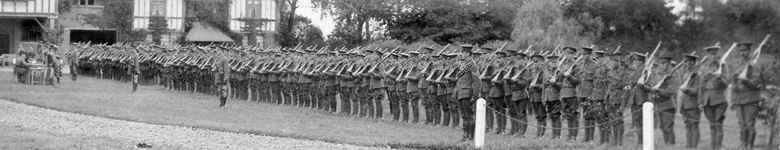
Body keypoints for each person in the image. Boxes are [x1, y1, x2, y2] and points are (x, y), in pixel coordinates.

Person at [731, 42, 764, 148]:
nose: (742, 53)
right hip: (740, 100)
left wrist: (746, 81)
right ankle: (743, 145)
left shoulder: (754, 65)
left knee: (749, 124)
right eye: (741, 51)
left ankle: (749, 146)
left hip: (750, 99)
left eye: (745, 51)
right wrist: (733, 101)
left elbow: (756, 82)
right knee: (742, 125)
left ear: (749, 51)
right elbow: (733, 85)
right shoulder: (737, 65)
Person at [698, 44, 728, 149]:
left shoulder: (722, 66)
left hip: (719, 100)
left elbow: (726, 83)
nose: (713, 56)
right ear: (707, 55)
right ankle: (713, 146)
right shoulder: (704, 68)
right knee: (712, 124)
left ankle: (718, 147)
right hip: (707, 100)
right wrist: (700, 102)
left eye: (715, 54)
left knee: (718, 124)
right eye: (711, 54)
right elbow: (701, 86)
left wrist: (719, 77)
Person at [454, 45, 481, 142]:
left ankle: (470, 137)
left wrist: (475, 95)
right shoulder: (463, 64)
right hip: (460, 92)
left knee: (469, 116)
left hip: (467, 93)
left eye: (463, 52)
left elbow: (477, 82)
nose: (461, 54)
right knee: (464, 115)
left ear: (468, 53)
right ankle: (465, 136)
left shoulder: (473, 65)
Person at [679, 52, 702, 148]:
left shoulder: (698, 75)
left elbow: (698, 90)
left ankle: (694, 146)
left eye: (687, 61)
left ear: (693, 62)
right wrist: (681, 105)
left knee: (694, 125)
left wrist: (687, 90)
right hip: (685, 104)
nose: (685, 63)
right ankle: (689, 145)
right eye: (684, 61)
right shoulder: (686, 75)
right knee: (688, 126)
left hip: (693, 104)